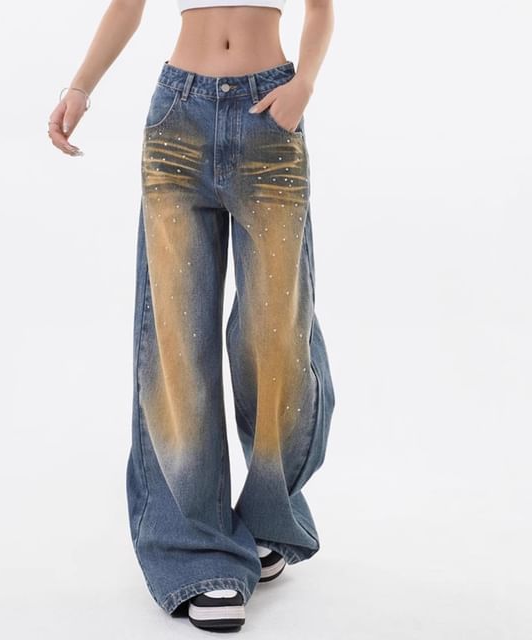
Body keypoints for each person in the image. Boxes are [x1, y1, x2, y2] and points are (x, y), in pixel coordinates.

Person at [48, 0, 336, 631]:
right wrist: (80, 88)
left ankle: (270, 515)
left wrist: (304, 84)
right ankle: (197, 550)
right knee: (177, 341)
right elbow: (128, 6)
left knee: (277, 340)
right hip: (178, 117)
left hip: (270, 116)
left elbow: (321, 8)